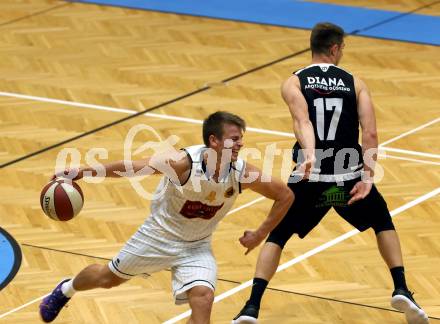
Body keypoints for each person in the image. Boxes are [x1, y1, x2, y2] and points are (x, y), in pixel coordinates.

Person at [232, 23, 428, 324]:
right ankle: (401, 287)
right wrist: (367, 178)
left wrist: (310, 155)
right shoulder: (355, 82)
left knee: (278, 235)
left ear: (314, 46)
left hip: (310, 179)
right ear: (335, 48)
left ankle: (251, 307)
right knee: (382, 221)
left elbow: (302, 121)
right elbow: (371, 134)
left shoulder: (293, 82)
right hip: (348, 177)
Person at [39, 111, 294, 324]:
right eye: (234, 139)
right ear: (214, 141)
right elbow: (130, 167)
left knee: (203, 298)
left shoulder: (242, 173)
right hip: (157, 236)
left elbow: (285, 195)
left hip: (197, 246)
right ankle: (66, 289)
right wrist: (83, 171)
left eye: (241, 139)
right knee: (107, 279)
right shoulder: (182, 163)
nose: (241, 144)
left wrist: (260, 234)